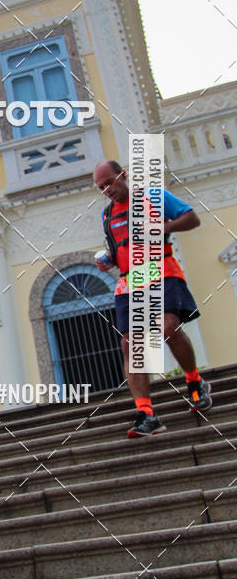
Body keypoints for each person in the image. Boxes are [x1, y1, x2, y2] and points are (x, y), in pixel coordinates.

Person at [93, 159, 212, 437]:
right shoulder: (107, 214)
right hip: (130, 281)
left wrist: (162, 229)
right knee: (129, 343)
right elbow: (118, 249)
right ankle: (147, 414)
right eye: (101, 187)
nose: (107, 190)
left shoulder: (153, 196)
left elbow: (192, 219)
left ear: (123, 175)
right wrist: (108, 259)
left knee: (168, 326)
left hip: (161, 270)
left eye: (109, 182)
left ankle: (195, 382)